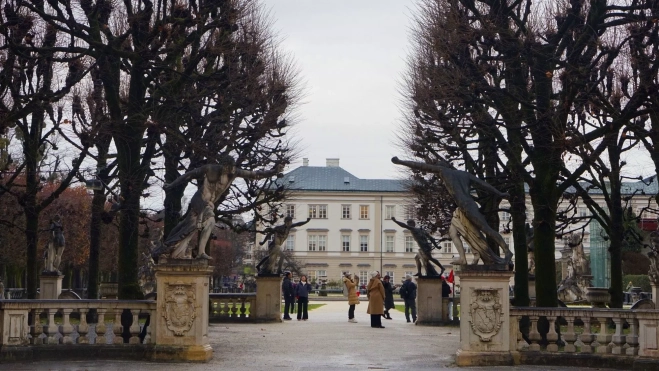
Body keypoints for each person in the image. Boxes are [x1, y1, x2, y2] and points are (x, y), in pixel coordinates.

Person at [154, 155, 283, 260]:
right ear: (223, 166)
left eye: (232, 168)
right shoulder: (210, 169)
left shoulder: (234, 172)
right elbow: (188, 175)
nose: (231, 170)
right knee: (210, 220)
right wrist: (171, 185)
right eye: (228, 168)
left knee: (189, 225)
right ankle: (200, 252)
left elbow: (255, 174)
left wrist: (273, 171)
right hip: (199, 200)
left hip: (209, 203)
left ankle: (172, 247)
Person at [392, 156, 513, 266]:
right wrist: (499, 193)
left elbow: (422, 166)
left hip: (467, 206)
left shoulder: (443, 171)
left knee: (486, 229)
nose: (439, 178)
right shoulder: (464, 174)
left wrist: (401, 161)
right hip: (462, 208)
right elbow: (483, 185)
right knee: (453, 233)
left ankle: (507, 252)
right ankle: (462, 258)